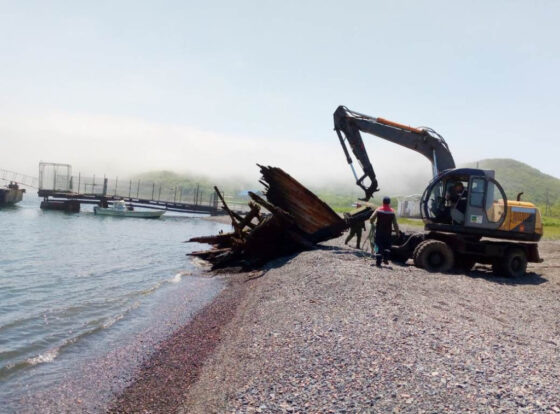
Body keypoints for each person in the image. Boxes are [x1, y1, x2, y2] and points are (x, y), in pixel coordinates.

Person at [370, 196, 400, 267]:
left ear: (382, 202)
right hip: (388, 232)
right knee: (387, 246)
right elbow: (395, 224)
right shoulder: (392, 211)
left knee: (378, 245)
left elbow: (371, 219)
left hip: (379, 232)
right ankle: (385, 259)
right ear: (389, 203)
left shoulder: (378, 209)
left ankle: (378, 262)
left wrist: (373, 223)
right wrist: (397, 232)